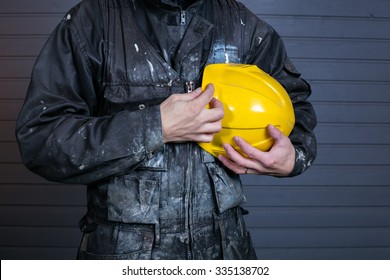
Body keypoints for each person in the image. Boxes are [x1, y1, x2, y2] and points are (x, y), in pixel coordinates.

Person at [15, 0, 316, 260]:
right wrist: (155, 126)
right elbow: (42, 138)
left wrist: (293, 157)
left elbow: (295, 110)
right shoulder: (92, 22)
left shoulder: (245, 27)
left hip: (225, 253)